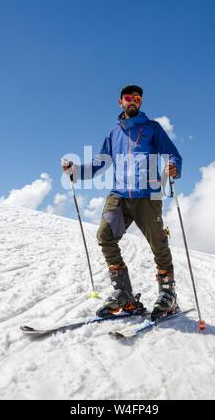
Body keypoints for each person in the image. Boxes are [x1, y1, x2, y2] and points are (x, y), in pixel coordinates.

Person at [62, 85, 182, 321]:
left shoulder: (152, 128)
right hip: (120, 197)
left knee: (158, 243)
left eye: (137, 99)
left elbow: (173, 154)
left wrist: (174, 168)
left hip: (148, 196)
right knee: (106, 235)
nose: (133, 102)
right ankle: (123, 293)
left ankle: (168, 294)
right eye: (129, 98)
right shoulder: (113, 133)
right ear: (121, 102)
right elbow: (99, 163)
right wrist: (76, 171)